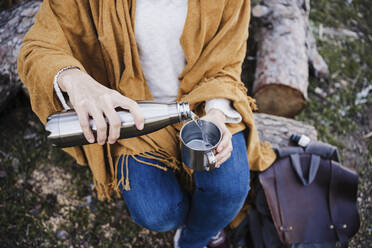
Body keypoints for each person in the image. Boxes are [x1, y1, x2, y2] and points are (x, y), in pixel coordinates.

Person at [18, 0, 275, 247]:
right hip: (131, 111)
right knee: (156, 213)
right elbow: (37, 47)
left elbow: (227, 62)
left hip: (203, 101)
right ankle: (195, 219)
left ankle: (196, 237)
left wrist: (217, 113)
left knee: (229, 189)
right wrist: (75, 80)